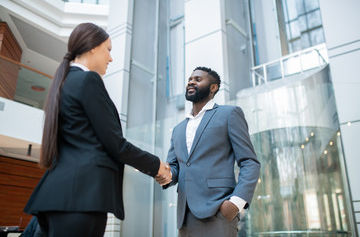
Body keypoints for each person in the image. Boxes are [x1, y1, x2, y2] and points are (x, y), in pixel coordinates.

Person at [24, 22, 171, 237]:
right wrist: (156, 165)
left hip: (55, 198)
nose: (110, 58)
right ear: (92, 46)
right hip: (82, 199)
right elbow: (116, 145)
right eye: (108, 49)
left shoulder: (64, 83)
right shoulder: (88, 80)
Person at [161, 67, 261, 237]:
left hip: (218, 211)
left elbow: (249, 162)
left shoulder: (229, 114)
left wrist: (235, 203)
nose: (191, 82)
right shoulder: (178, 129)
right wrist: (164, 174)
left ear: (213, 87)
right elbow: (175, 169)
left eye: (198, 79)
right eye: (190, 79)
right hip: (184, 216)